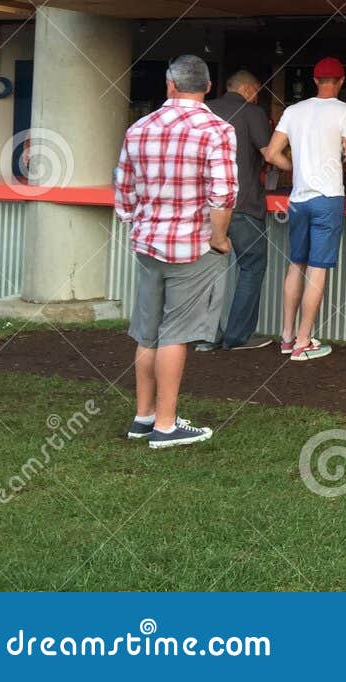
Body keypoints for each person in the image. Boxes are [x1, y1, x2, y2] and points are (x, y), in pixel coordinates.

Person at [113, 54, 236, 449]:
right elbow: (224, 192)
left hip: (148, 242)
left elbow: (123, 188)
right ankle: (166, 426)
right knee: (176, 334)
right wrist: (219, 238)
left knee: (147, 334)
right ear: (208, 88)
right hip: (192, 244)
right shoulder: (217, 129)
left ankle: (143, 416)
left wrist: (136, 220)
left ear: (169, 85)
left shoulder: (139, 127)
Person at [263, 57, 346, 362]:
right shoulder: (345, 111)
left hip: (299, 199)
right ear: (341, 82)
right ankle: (305, 342)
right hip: (328, 198)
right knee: (318, 269)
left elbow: (271, 152)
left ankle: (288, 337)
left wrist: (293, 167)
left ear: (315, 81)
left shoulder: (293, 111)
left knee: (296, 265)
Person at [200, 69, 288, 351]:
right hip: (243, 204)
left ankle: (206, 336)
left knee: (207, 270)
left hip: (204, 205)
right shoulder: (252, 112)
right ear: (250, 89)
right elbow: (269, 153)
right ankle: (238, 337)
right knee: (250, 266)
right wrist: (299, 168)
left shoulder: (203, 110)